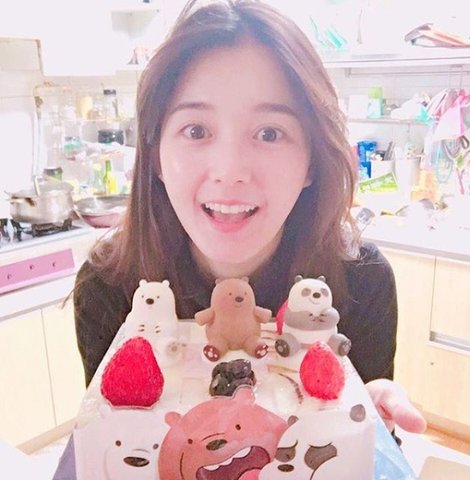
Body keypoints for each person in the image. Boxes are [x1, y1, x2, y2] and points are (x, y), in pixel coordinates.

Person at [56, 1, 426, 477]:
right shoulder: (109, 286)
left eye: (269, 133)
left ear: (312, 162)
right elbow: (120, 441)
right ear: (156, 156)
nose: (230, 171)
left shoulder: (361, 280)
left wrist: (373, 426)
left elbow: (354, 433)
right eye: (196, 130)